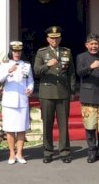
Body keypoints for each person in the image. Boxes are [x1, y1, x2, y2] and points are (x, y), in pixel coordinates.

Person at [34, 26, 76, 163]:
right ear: (47, 39)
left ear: (60, 38)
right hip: (47, 92)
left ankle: (64, 151)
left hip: (63, 92)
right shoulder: (42, 53)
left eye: (57, 37)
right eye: (52, 38)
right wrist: (48, 65)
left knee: (63, 124)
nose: (54, 40)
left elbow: (71, 73)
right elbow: (36, 71)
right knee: (47, 123)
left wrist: (72, 90)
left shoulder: (66, 52)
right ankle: (48, 151)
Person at [75, 33, 99, 164]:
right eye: (91, 44)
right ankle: (92, 152)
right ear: (86, 45)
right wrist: (91, 67)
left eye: (96, 44)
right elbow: (79, 73)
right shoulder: (81, 57)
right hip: (88, 97)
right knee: (90, 127)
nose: (94, 46)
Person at [0, 41, 34, 165]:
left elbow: (30, 81)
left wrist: (30, 89)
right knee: (10, 129)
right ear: (11, 51)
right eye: (14, 51)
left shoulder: (26, 65)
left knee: (21, 128)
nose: (17, 53)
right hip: (9, 101)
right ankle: (12, 153)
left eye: (19, 51)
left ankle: (20, 153)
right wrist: (9, 70)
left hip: (22, 100)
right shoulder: (5, 64)